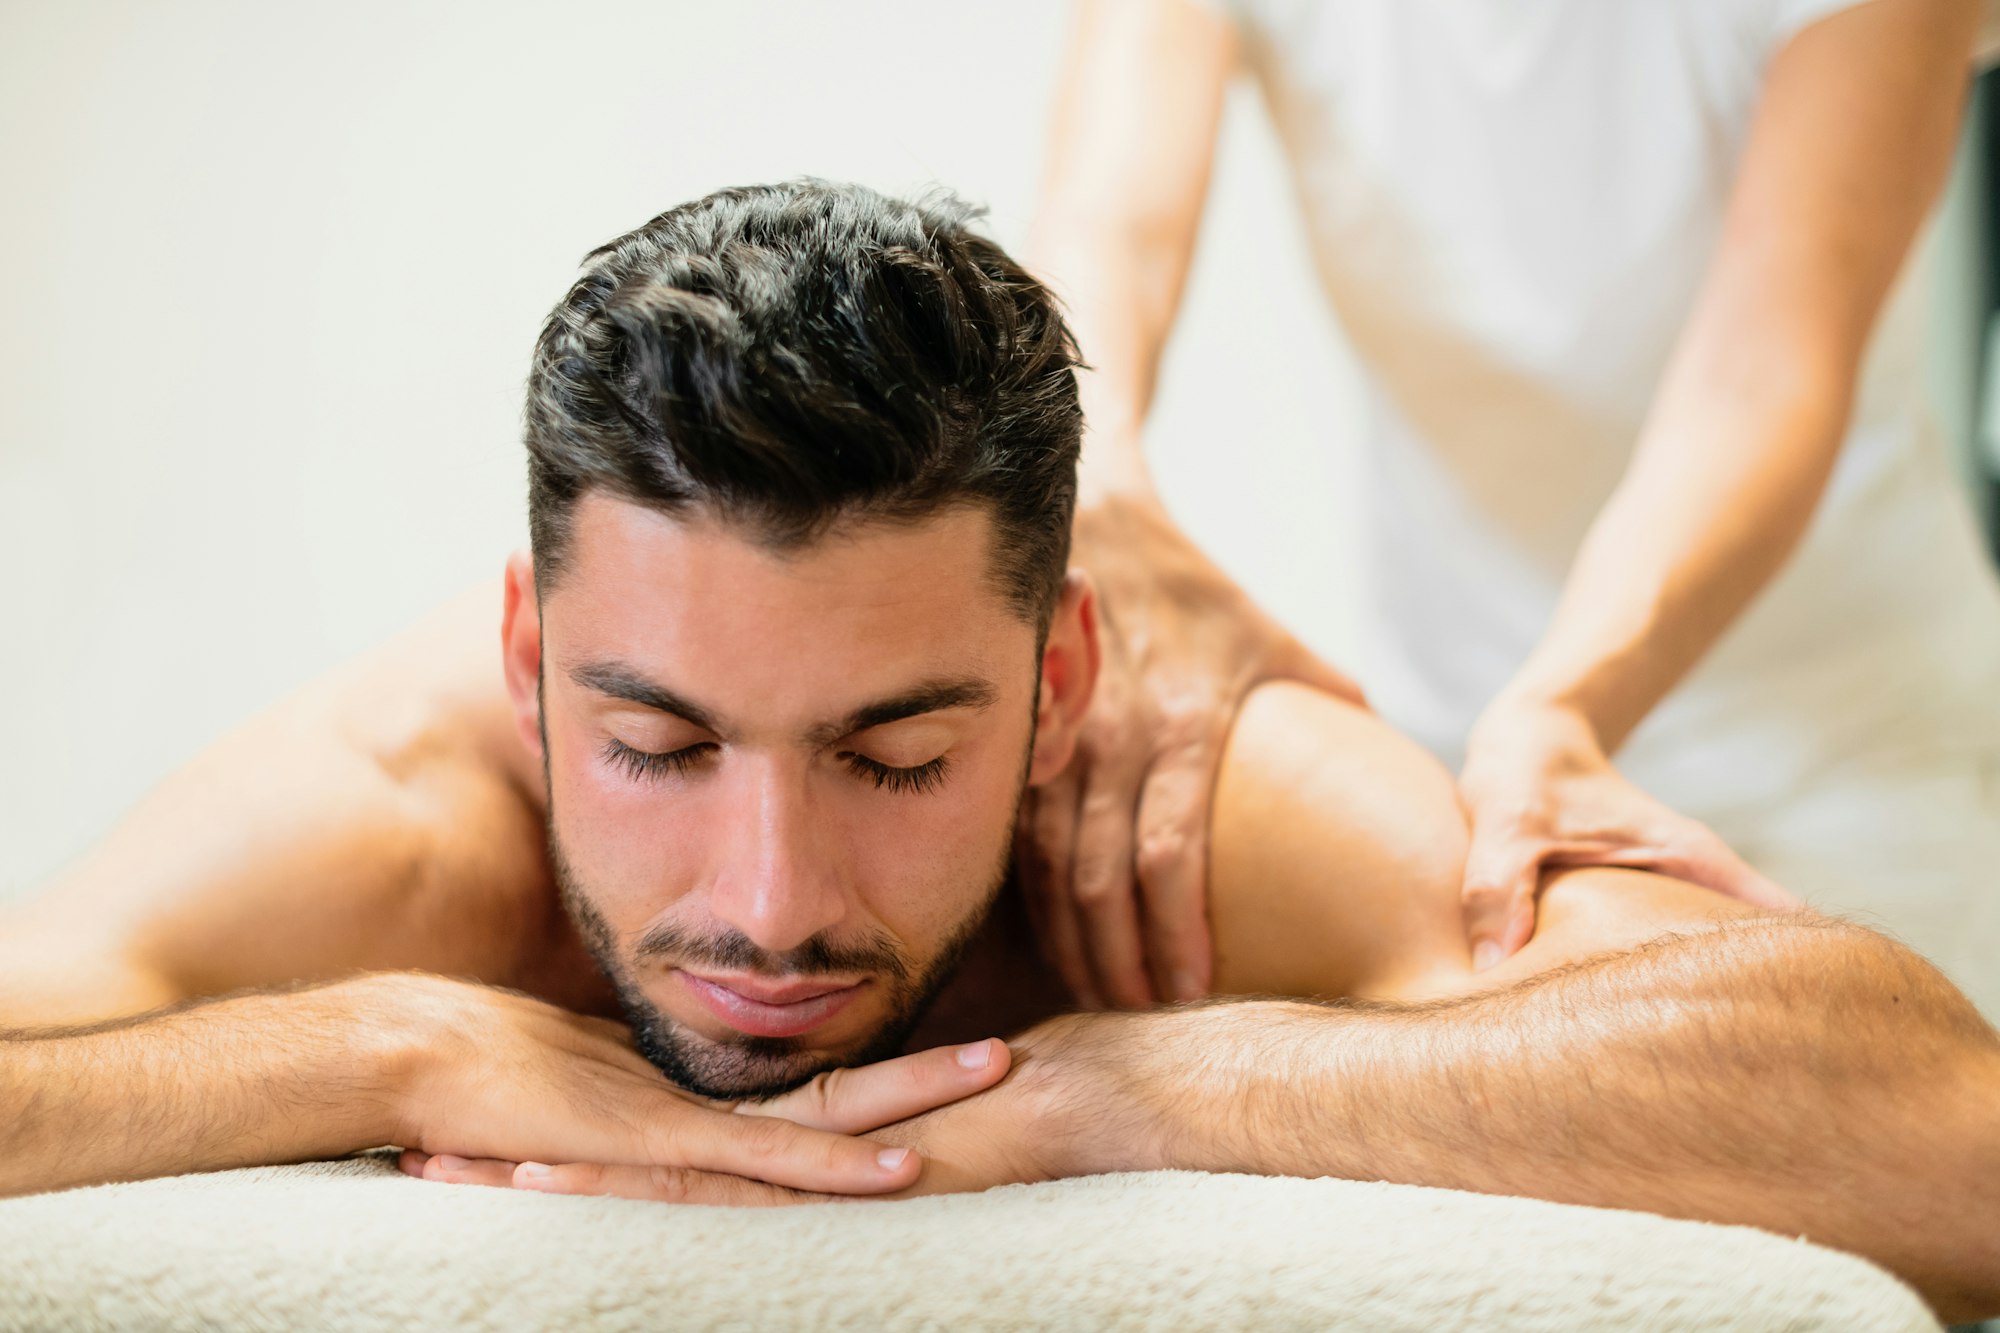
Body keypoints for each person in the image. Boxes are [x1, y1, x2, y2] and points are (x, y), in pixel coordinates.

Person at [0, 183, 1994, 1321]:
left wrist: (1144, 1088)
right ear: (532, 664)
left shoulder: (1169, 807)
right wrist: (401, 1046)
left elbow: (1956, 1144)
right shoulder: (406, 829)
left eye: (893, 754)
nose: (766, 903)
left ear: (1058, 688)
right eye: (656, 744)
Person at [1021, 0, 2000, 1023]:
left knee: (1881, 1132)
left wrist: (1563, 705)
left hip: (1847, 757)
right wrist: (1098, 498)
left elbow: (1758, 376)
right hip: (1457, 751)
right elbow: (1107, 228)